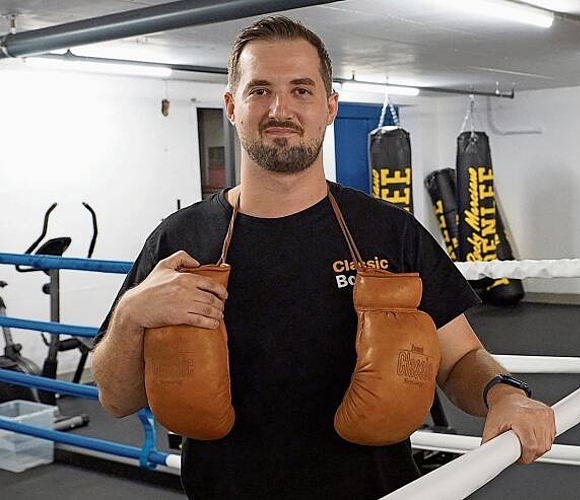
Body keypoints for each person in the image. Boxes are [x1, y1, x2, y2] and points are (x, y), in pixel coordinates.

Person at [91, 15, 555, 499]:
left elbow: (461, 358)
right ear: (231, 106)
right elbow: (116, 398)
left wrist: (505, 394)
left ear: (330, 107)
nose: (280, 109)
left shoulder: (389, 232)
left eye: (301, 90)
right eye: (259, 90)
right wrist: (129, 315)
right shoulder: (180, 239)